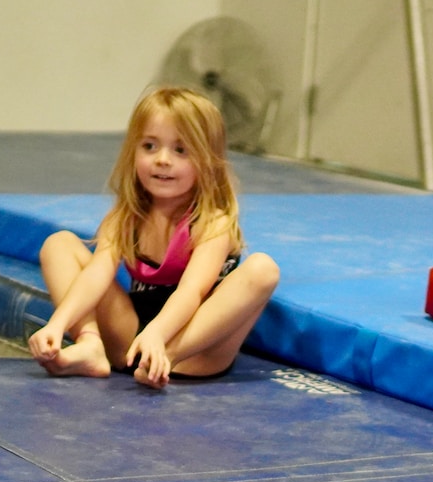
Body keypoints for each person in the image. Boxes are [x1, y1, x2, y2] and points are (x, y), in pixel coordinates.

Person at [28, 86, 280, 387]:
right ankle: (91, 345)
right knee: (60, 244)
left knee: (262, 269)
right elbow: (96, 274)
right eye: (149, 146)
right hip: (132, 340)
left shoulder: (213, 223)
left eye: (180, 150)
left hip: (193, 350)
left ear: (208, 161)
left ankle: (161, 360)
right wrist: (59, 325)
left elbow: (192, 291)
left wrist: (159, 338)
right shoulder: (125, 217)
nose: (162, 159)